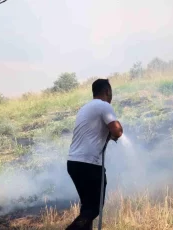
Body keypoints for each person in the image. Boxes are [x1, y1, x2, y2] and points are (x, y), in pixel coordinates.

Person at [66, 78, 123, 230]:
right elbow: (117, 130)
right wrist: (115, 135)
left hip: (73, 163)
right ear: (107, 91)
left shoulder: (85, 108)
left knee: (87, 208)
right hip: (89, 165)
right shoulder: (104, 106)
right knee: (94, 207)